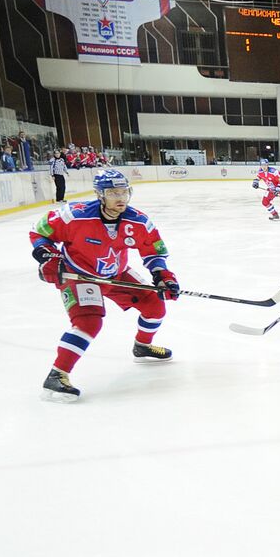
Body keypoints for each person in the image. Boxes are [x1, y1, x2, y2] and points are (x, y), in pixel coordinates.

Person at [29, 168, 178, 402]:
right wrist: (48, 256)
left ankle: (142, 346)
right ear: (100, 195)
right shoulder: (74, 216)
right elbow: (39, 232)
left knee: (155, 306)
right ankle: (57, 375)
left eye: (124, 192)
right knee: (89, 322)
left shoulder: (137, 221)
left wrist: (163, 276)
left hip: (116, 274)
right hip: (80, 275)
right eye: (113, 193)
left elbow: (153, 250)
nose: (120, 198)